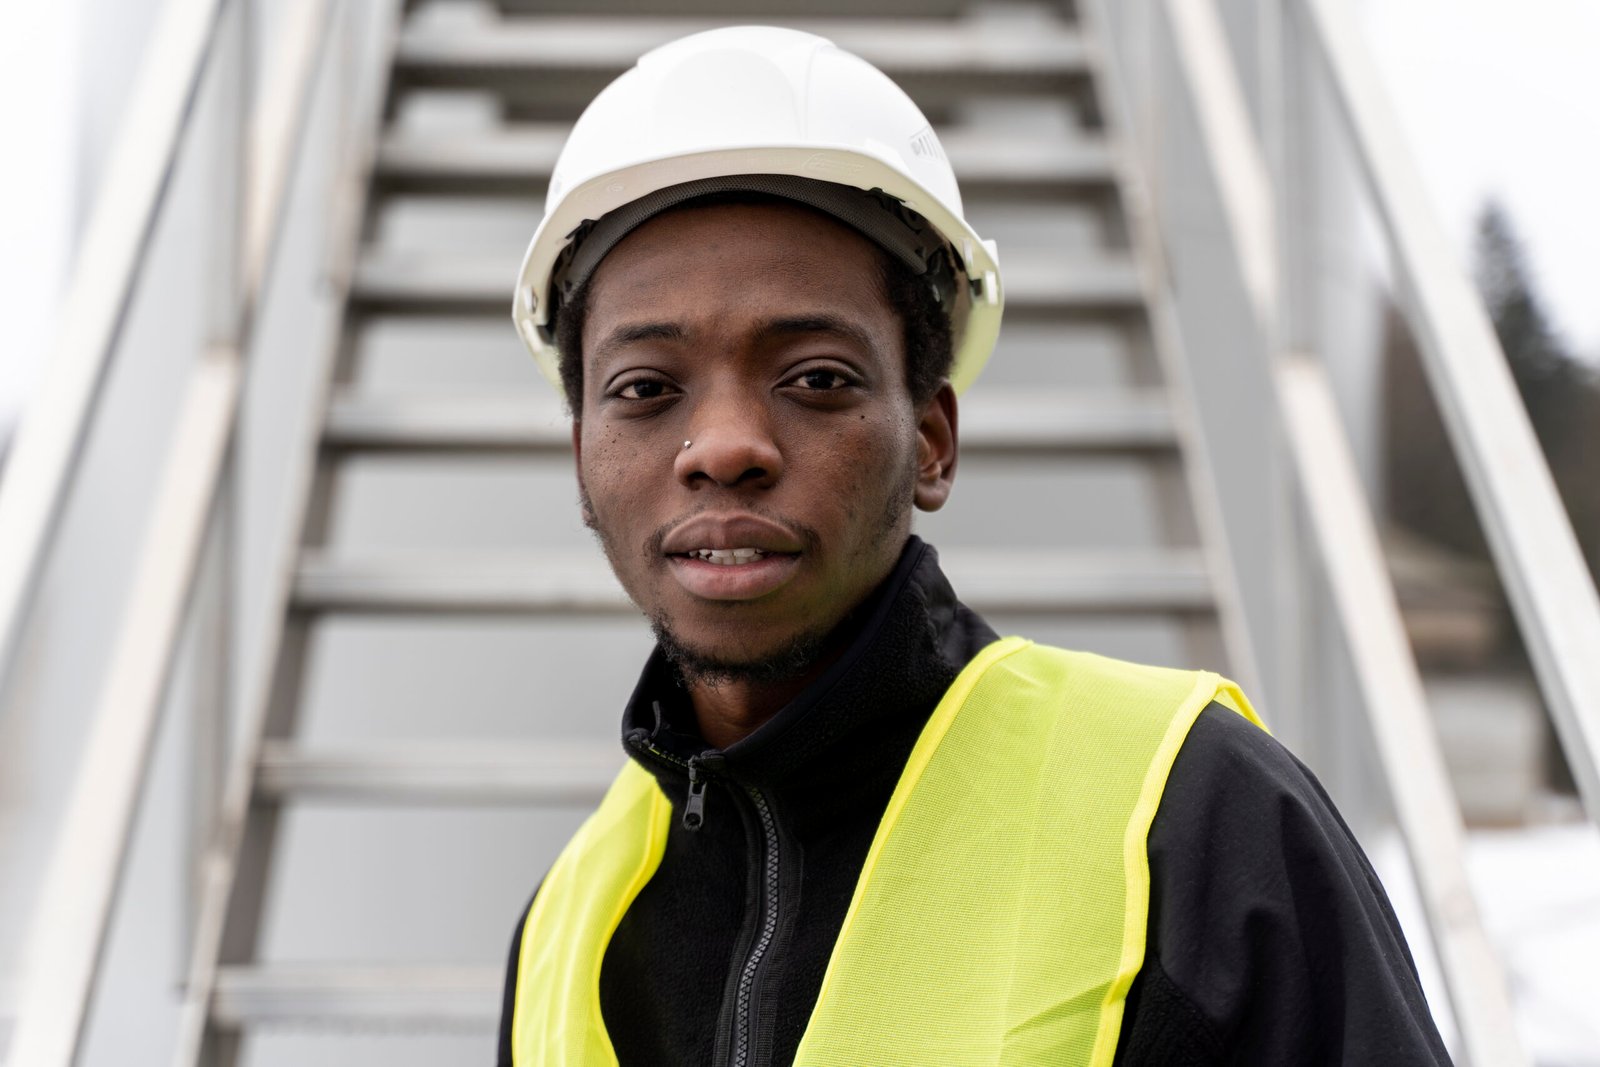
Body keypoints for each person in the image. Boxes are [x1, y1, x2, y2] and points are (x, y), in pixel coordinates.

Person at [495, 26, 1452, 1067]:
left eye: (815, 377)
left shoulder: (1191, 817)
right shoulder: (565, 923)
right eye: (644, 389)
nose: (724, 446)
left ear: (933, 443)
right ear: (584, 451)